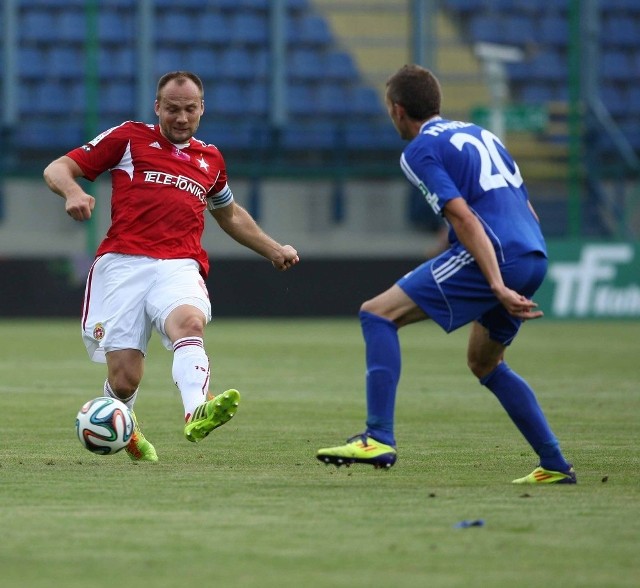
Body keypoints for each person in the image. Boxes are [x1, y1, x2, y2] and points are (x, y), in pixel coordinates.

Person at [317, 64, 575, 484]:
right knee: (484, 362)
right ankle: (555, 465)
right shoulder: (479, 134)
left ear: (398, 111)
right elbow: (525, 207)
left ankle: (377, 437)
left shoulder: (419, 150)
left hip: (496, 255)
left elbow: (462, 215)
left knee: (377, 314)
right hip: (532, 251)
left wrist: (495, 281)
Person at [44, 71, 299, 462]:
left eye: (190, 109)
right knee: (125, 378)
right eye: (173, 109)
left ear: (202, 109)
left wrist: (272, 248)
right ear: (157, 107)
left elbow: (228, 214)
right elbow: (58, 168)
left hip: (180, 263)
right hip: (124, 264)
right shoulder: (129, 138)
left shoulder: (210, 159)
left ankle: (196, 408)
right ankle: (126, 430)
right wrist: (74, 190)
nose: (181, 118)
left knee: (190, 324)